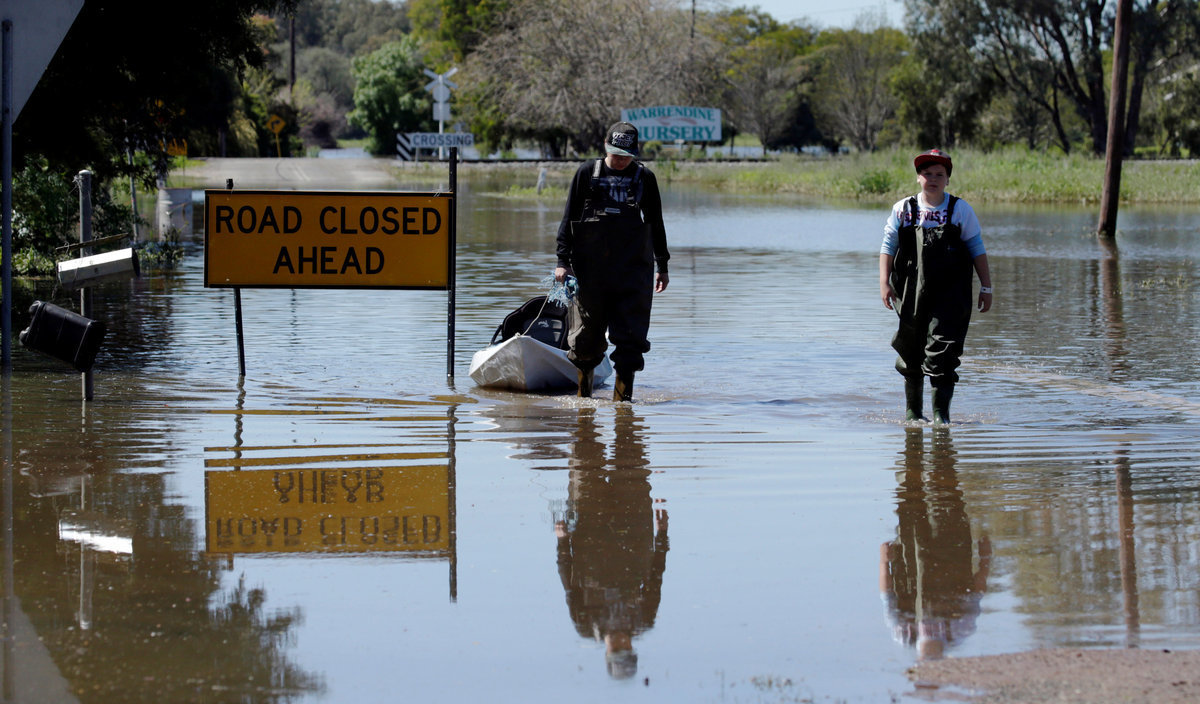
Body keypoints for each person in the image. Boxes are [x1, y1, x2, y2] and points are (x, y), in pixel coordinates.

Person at [555, 121, 670, 401]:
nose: (620, 161)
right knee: (584, 342)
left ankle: (623, 407)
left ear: (635, 154)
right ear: (606, 148)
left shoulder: (645, 178)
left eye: (626, 156)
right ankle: (584, 404)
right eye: (615, 154)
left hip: (633, 274)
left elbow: (656, 224)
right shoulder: (586, 173)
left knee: (631, 342)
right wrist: (562, 261)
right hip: (590, 274)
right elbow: (569, 218)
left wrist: (662, 266)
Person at [879, 149, 992, 424]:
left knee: (943, 351)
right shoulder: (903, 209)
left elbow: (977, 249)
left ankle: (941, 417)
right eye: (927, 173)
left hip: (951, 296)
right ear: (918, 178)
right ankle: (913, 415)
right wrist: (884, 282)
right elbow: (888, 247)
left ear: (947, 180)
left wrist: (986, 287)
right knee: (911, 350)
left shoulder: (960, 210)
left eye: (939, 174)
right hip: (909, 293)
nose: (932, 178)